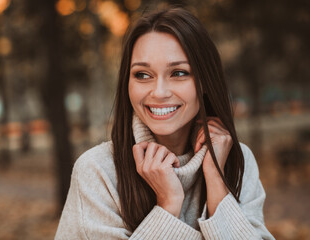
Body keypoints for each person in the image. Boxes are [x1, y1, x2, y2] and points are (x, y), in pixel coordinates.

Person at [55, 8, 274, 240]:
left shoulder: (237, 160)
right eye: (142, 75)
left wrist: (217, 184)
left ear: (205, 82)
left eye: (179, 73)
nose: (159, 92)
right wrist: (169, 205)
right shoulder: (98, 172)